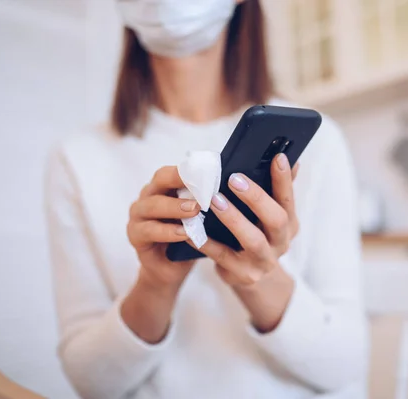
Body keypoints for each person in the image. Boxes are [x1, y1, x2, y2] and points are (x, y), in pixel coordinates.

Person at [45, 0, 368, 398]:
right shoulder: (77, 159)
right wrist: (155, 284)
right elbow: (91, 382)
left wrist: (261, 277)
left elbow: (345, 364)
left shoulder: (319, 145)